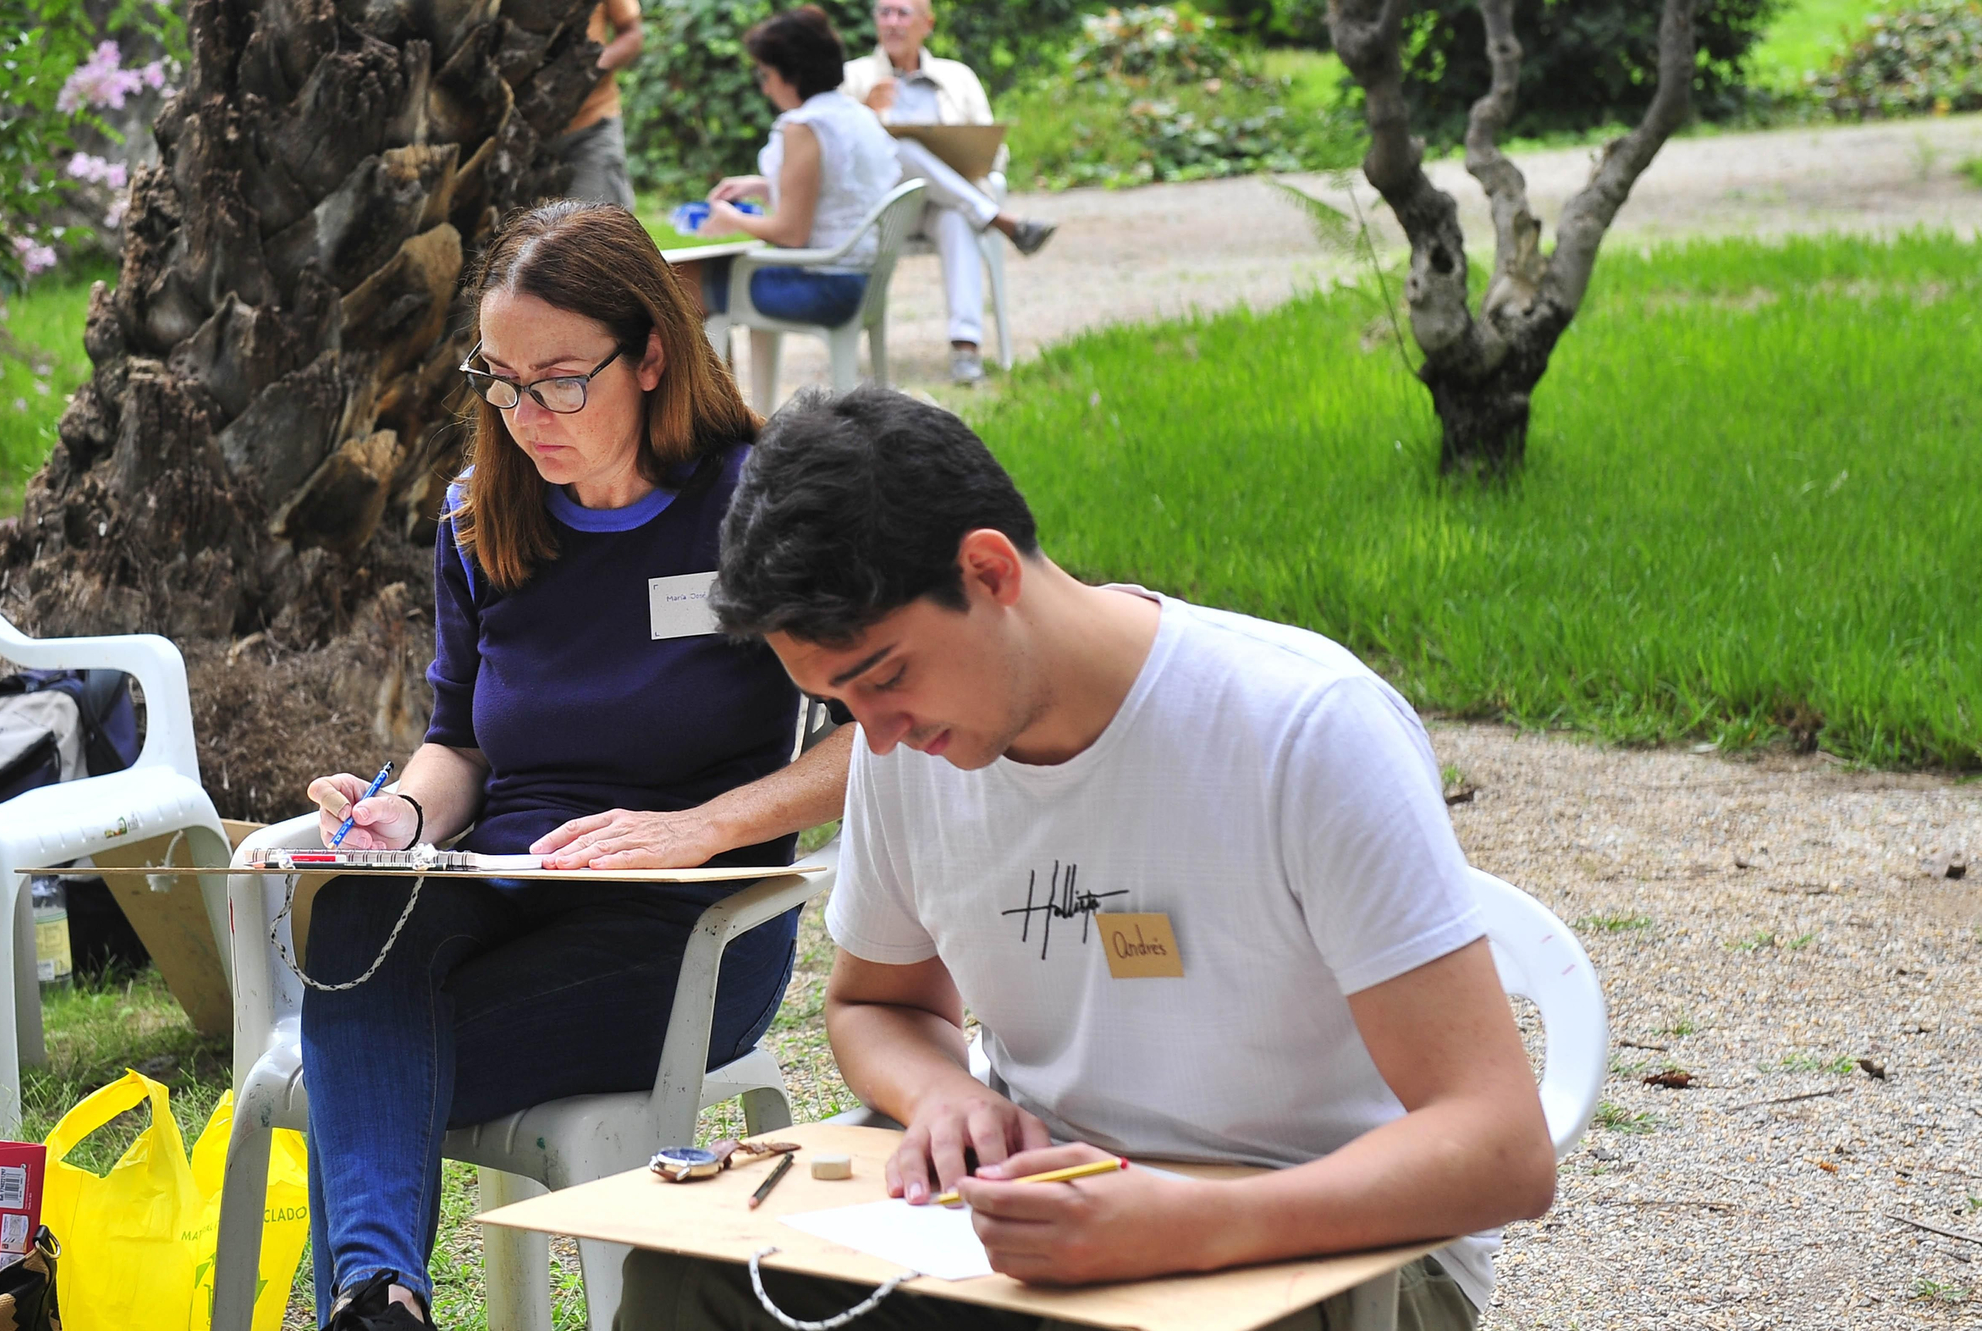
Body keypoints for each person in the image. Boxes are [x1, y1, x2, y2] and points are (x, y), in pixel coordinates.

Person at [612, 386, 1558, 1330]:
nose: (881, 735)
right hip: (1045, 1225)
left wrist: (1188, 1224)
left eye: (887, 676)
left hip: (1336, 1252)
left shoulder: (1304, 729)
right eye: (841, 706)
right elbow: (875, 1003)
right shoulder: (906, 751)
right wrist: (942, 1096)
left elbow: (1503, 1149)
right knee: (684, 1280)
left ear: (988, 572)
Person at [298, 202, 853, 1331]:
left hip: (688, 925)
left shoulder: (756, 499)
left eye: (557, 380)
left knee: (359, 1042)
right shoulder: (478, 511)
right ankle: (381, 1301)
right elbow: (460, 739)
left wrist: (698, 825)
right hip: (507, 886)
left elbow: (875, 728)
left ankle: (369, 1292)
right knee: (353, 923)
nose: (524, 413)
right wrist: (402, 814)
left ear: (650, 354)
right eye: (499, 379)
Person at [842, 0, 1058, 386]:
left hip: (947, 201)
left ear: (927, 23)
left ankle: (966, 348)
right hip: (885, 209)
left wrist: (965, 154)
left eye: (902, 13)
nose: (891, 23)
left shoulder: (958, 77)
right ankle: (998, 219)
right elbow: (836, 156)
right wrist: (864, 112)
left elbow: (996, 151)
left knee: (958, 218)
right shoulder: (854, 77)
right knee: (903, 150)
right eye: (884, 13)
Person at [679, 7, 900, 334]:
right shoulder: (855, 114)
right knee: (716, 275)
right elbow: (837, 190)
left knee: (681, 282)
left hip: (826, 287)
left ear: (792, 75)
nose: (765, 89)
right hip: (863, 279)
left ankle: (707, 386)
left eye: (766, 76)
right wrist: (762, 187)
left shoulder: (804, 126)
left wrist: (731, 218)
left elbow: (792, 234)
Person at [551, 0, 644, 208]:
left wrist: (589, 69)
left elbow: (632, 33)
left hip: (590, 127)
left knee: (593, 230)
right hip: (506, 137)